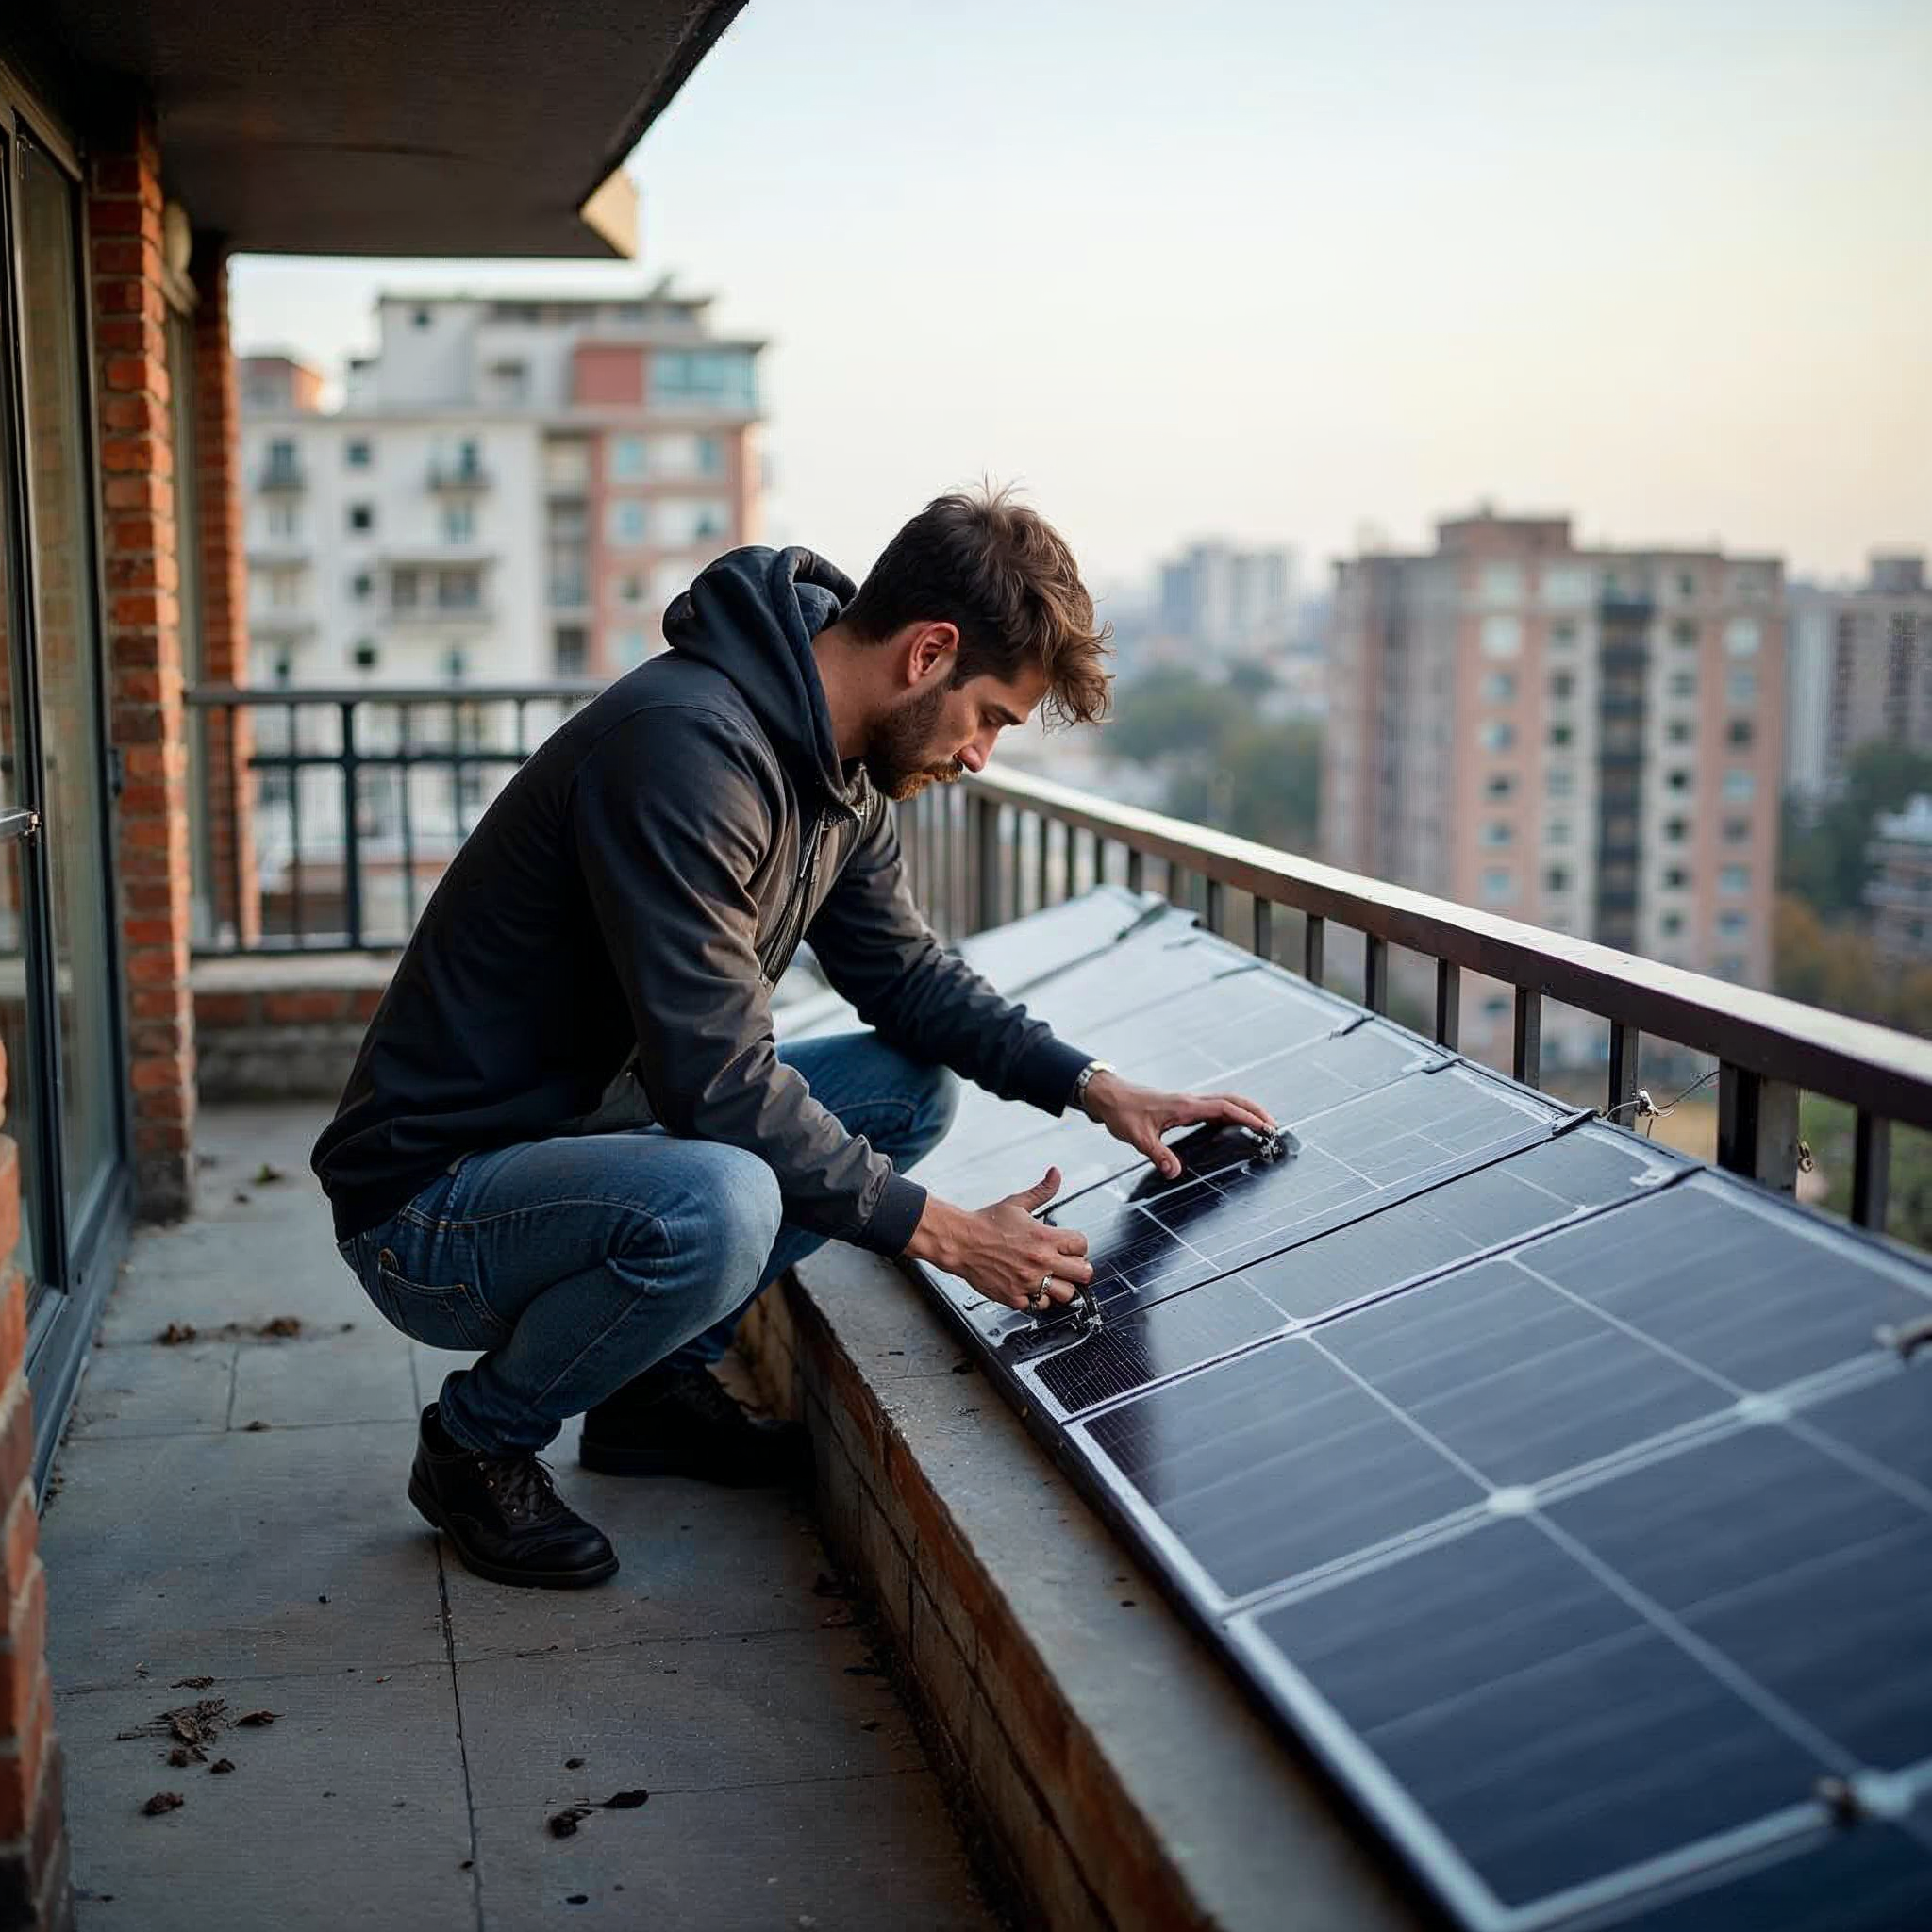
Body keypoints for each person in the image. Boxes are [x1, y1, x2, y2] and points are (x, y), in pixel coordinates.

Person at [313, 488, 1274, 1590]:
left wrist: (1096, 1086)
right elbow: (714, 1078)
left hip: (585, 1135)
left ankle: (645, 1388)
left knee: (905, 1088)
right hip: (431, 1205)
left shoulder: (841, 772)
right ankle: (476, 1443)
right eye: (992, 717)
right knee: (721, 1199)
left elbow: (906, 978)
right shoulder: (685, 750)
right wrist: (952, 1236)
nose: (979, 758)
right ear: (928, 652)